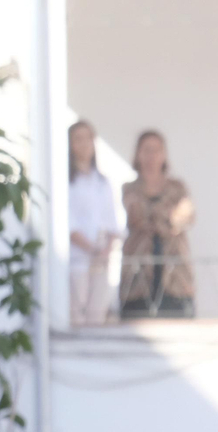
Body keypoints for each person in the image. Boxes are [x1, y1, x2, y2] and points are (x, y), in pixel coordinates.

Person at [120, 130, 195, 318]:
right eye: (147, 150)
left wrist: (168, 220)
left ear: (164, 154)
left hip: (174, 274)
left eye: (156, 150)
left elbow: (186, 216)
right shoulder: (130, 188)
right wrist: (169, 218)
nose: (152, 156)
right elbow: (136, 217)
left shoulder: (177, 187)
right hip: (138, 275)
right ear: (138, 154)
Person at [68, 119, 121, 325]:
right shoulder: (68, 182)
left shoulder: (102, 181)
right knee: (76, 314)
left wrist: (106, 249)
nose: (84, 144)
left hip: (101, 258)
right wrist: (90, 248)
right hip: (77, 258)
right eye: (78, 139)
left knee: (97, 314)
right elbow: (69, 223)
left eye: (88, 138)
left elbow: (112, 221)